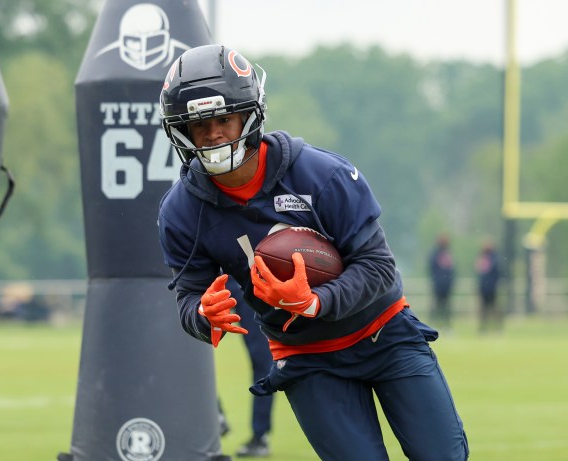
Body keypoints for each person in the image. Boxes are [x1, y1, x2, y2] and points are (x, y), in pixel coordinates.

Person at [158, 44, 469, 461]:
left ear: (250, 114)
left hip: (384, 334)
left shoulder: (322, 175)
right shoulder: (181, 211)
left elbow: (378, 268)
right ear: (181, 132)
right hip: (308, 357)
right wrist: (202, 315)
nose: (213, 134)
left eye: (223, 119)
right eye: (199, 126)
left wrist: (315, 300)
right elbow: (189, 299)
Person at [219, 281, 274, 457]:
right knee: (187, 349)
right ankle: (215, 415)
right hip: (209, 278)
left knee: (262, 362)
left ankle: (260, 436)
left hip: (246, 282)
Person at [428, 233, 456, 329]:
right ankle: (435, 324)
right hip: (439, 285)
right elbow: (431, 269)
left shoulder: (447, 254)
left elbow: (452, 270)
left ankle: (446, 325)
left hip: (446, 285)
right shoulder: (436, 254)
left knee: (446, 306)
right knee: (437, 305)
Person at [475, 239, 502, 333]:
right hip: (484, 287)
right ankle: (484, 328)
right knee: (484, 309)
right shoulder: (483, 258)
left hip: (491, 287)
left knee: (493, 308)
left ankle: (497, 328)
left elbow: (497, 273)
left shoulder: (494, 258)